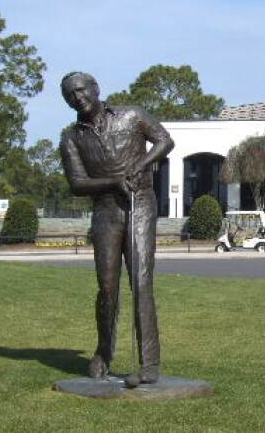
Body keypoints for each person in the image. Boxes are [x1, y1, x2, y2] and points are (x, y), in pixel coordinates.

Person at [59, 72, 174, 388]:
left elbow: (165, 140)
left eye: (80, 90)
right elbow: (77, 183)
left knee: (141, 281)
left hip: (140, 205)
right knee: (107, 287)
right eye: (69, 95)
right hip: (105, 212)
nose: (76, 97)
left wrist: (142, 165)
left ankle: (149, 362)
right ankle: (103, 352)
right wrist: (113, 181)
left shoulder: (132, 115)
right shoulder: (71, 138)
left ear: (96, 89)